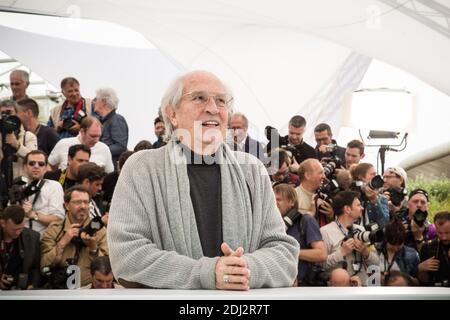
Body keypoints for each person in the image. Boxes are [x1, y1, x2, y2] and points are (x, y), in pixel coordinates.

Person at [107, 70, 299, 290]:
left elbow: (284, 254)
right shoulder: (142, 168)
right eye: (199, 98)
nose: (213, 108)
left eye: (221, 101)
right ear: (172, 113)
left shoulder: (252, 171)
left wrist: (240, 271)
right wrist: (207, 273)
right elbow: (127, 255)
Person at [41, 185, 108, 287]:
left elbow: (107, 269)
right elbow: (44, 265)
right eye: (77, 202)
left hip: (90, 289)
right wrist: (62, 243)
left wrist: (93, 249)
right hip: (60, 289)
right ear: (66, 205)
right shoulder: (54, 229)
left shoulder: (100, 230)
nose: (83, 206)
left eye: (86, 202)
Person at [320, 191, 380, 285]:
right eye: (358, 205)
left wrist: (365, 252)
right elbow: (321, 265)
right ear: (347, 209)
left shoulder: (361, 230)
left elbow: (376, 262)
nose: (362, 208)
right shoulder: (325, 232)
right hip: (338, 289)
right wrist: (342, 252)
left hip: (361, 287)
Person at [273, 184, 326, 286]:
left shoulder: (306, 220)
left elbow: (321, 254)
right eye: (272, 199)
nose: (274, 203)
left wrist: (291, 252)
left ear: (291, 202)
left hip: (303, 286)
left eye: (279, 200)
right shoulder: (271, 225)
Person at [21, 150, 65, 238]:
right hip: (21, 242)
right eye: (32, 163)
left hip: (43, 241)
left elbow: (58, 219)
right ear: (25, 167)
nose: (36, 166)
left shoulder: (54, 186)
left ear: (45, 168)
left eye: (41, 164)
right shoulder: (18, 188)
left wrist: (32, 215)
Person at [48, 116, 114, 173]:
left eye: (99, 136)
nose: (96, 140)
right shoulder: (63, 144)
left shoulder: (104, 148)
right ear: (82, 132)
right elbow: (50, 165)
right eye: (92, 136)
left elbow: (109, 173)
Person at [0, 205, 41, 290]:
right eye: (14, 229)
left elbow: (36, 268)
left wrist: (32, 285)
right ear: (3, 223)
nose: (18, 232)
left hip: (21, 289)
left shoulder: (32, 238)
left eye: (21, 228)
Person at [0, 100, 38, 183]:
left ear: (17, 114)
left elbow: (34, 159)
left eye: (9, 112)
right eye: (2, 113)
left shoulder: (28, 136)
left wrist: (17, 145)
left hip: (21, 184)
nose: (5, 116)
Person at [94, 87, 128, 166]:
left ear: (103, 102)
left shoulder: (117, 119)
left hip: (113, 167)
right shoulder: (103, 121)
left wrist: (98, 150)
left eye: (96, 99)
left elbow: (120, 146)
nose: (93, 101)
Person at [418, 211, 450, 287]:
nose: (443, 237)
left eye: (447, 233)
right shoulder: (427, 247)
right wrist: (420, 269)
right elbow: (424, 281)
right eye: (440, 233)